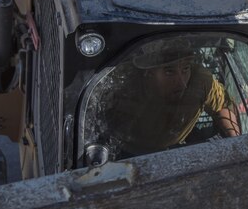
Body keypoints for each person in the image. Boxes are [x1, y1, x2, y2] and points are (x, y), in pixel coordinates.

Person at [102, 38, 240, 158]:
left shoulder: (201, 80)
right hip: (126, 151)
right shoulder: (124, 84)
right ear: (149, 73)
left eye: (185, 69)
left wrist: (238, 146)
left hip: (173, 149)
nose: (182, 83)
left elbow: (222, 106)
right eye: (169, 72)